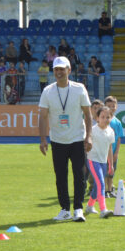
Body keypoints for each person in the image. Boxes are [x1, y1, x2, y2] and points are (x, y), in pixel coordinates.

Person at [38, 56, 92, 222]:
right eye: (56, 69)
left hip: (77, 138)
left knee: (79, 175)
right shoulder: (48, 91)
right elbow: (43, 117)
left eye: (62, 69)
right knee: (60, 176)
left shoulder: (79, 88)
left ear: (69, 70)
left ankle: (78, 208)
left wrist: (88, 137)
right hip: (57, 140)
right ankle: (64, 209)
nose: (59, 72)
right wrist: (42, 139)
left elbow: (88, 115)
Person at [85, 106, 115, 218]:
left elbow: (110, 149)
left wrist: (110, 164)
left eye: (108, 117)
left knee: (98, 186)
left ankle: (89, 206)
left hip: (103, 162)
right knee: (101, 183)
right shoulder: (92, 130)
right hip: (93, 160)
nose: (105, 119)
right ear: (97, 118)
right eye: (103, 117)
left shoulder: (111, 131)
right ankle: (103, 210)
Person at [104, 96, 124, 197]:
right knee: (104, 171)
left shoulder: (117, 122)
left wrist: (116, 152)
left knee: (112, 170)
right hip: (103, 151)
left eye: (113, 106)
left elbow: (119, 138)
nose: (111, 108)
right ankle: (104, 190)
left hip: (113, 151)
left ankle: (110, 189)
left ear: (116, 107)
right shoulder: (103, 121)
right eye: (109, 106)